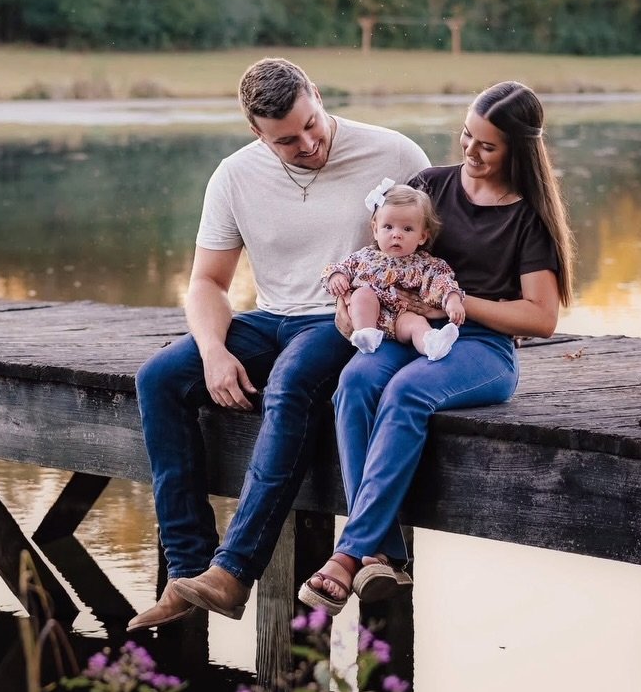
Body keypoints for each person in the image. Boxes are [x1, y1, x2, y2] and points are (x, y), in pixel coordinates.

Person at [127, 57, 429, 631]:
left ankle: (235, 571)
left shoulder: (396, 156)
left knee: (290, 383)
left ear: (316, 93)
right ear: (256, 132)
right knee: (159, 379)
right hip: (271, 318)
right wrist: (215, 352)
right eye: (287, 140)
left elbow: (437, 255)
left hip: (351, 323)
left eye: (312, 124)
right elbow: (207, 283)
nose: (309, 143)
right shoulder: (235, 176)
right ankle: (187, 573)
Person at [298, 80, 574, 614]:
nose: (470, 151)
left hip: (483, 351)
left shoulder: (527, 219)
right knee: (355, 381)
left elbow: (541, 317)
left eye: (487, 146)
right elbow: (378, 255)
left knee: (405, 392)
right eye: (467, 135)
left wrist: (457, 304)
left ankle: (352, 552)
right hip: (408, 332)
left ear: (518, 150)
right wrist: (352, 302)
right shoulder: (430, 186)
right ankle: (382, 555)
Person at [321, 182, 465, 362]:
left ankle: (432, 344)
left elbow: (442, 282)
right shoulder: (364, 257)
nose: (396, 234)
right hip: (370, 318)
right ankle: (365, 335)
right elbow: (338, 268)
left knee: (417, 323)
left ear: (422, 236)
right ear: (375, 229)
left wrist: (452, 299)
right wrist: (336, 277)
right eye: (388, 227)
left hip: (400, 319)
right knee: (362, 295)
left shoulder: (425, 264)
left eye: (407, 229)